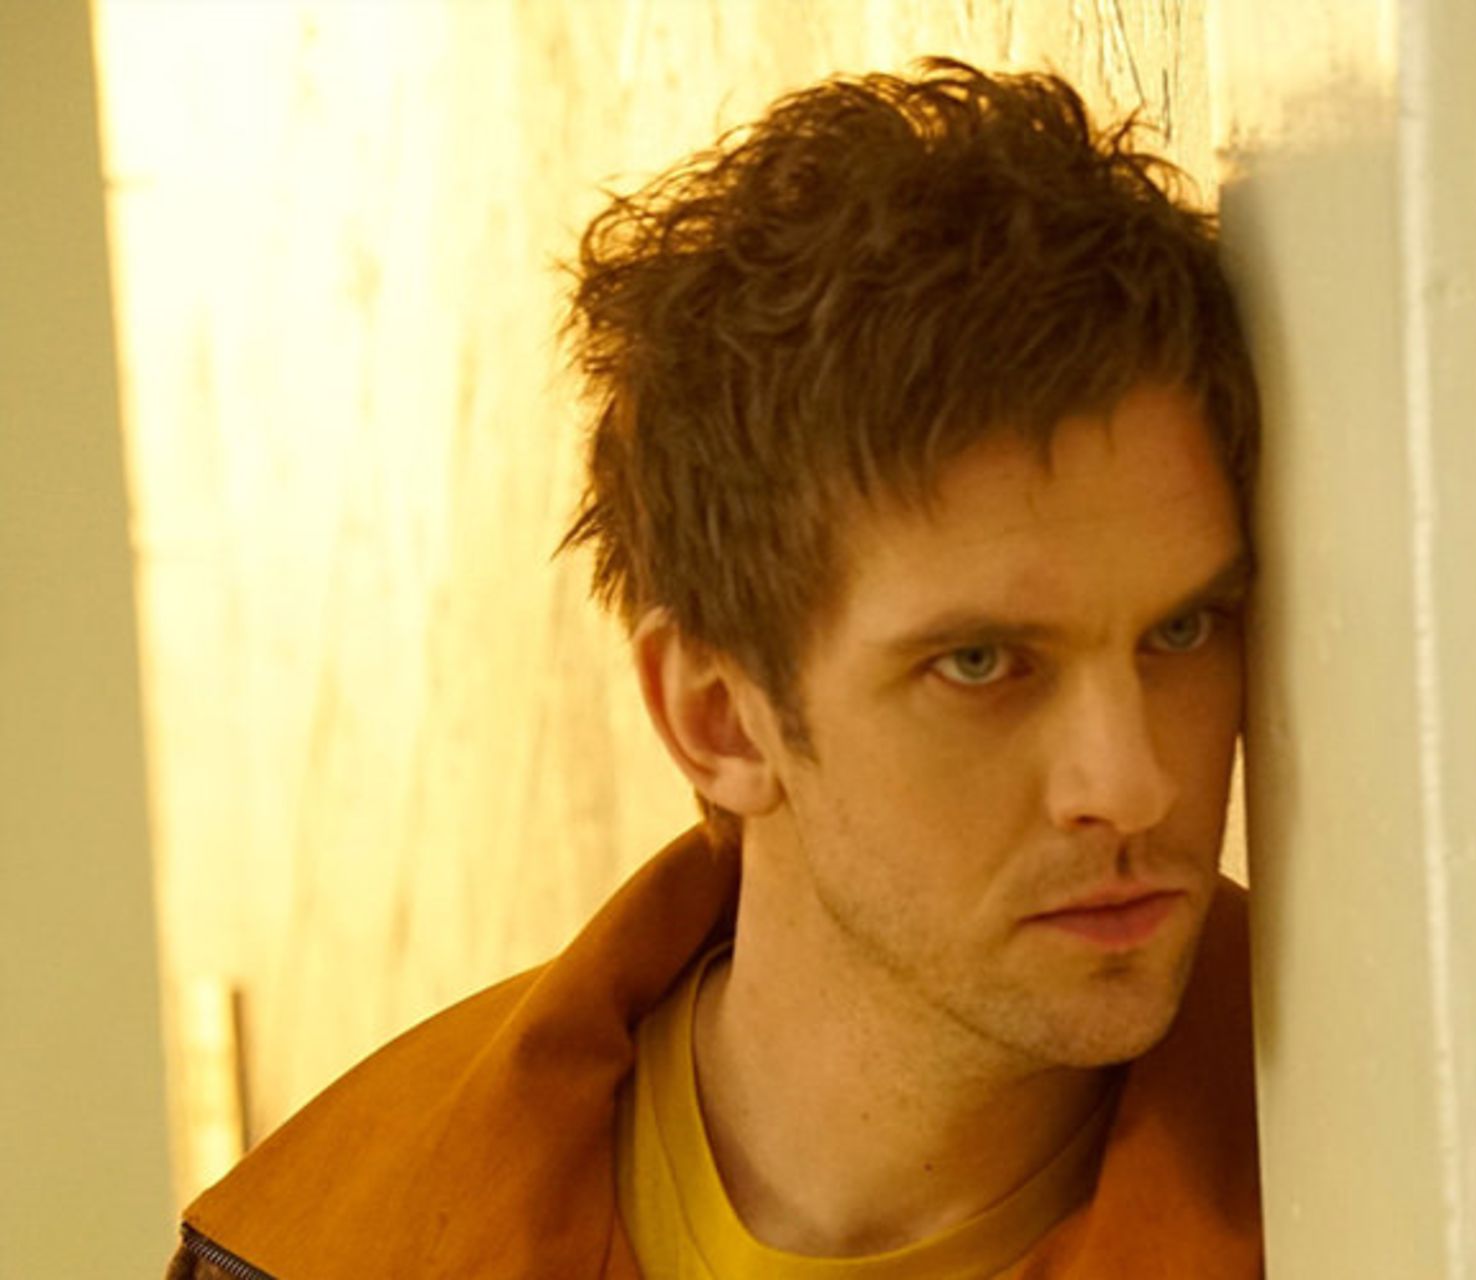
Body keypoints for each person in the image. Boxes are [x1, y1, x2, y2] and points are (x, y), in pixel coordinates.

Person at [170, 58, 1262, 1279]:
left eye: (1182, 631)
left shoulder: (1397, 1166)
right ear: (718, 718)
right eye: (981, 662)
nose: (1132, 783)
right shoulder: (334, 1244)